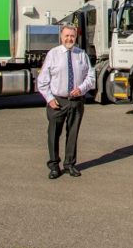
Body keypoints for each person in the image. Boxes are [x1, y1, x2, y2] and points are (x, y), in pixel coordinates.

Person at [37, 24, 94, 179]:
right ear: (61, 37)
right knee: (53, 134)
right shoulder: (53, 54)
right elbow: (42, 81)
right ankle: (54, 166)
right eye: (66, 36)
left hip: (76, 101)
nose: (69, 39)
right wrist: (50, 99)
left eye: (72, 36)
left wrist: (81, 89)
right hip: (57, 102)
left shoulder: (81, 54)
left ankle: (70, 164)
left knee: (73, 134)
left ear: (76, 37)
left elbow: (90, 77)